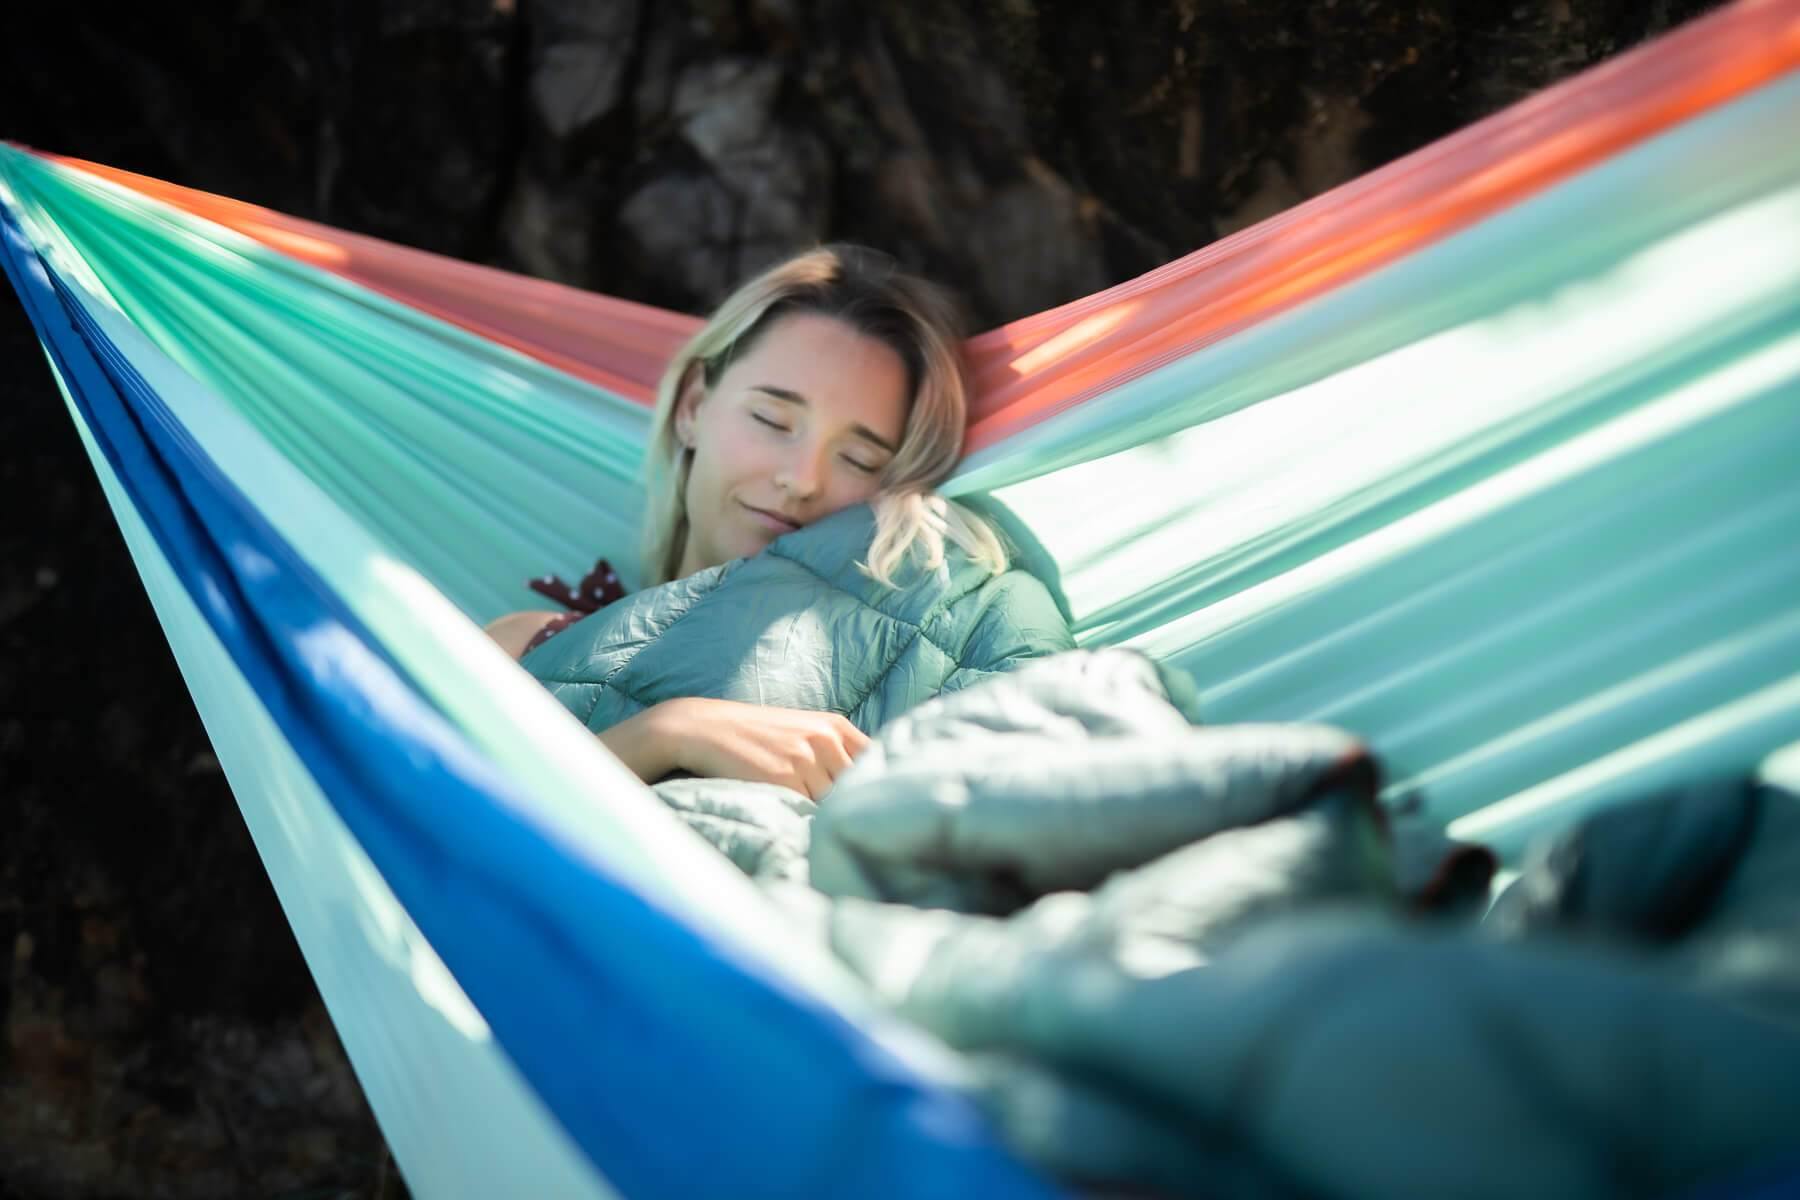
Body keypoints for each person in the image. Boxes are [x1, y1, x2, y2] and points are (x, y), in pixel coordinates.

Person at [486, 244, 1072, 799]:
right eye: (772, 419)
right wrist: (663, 734)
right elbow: (432, 841)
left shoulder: (936, 601)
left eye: (859, 458)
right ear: (693, 408)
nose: (803, 479)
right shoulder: (524, 647)